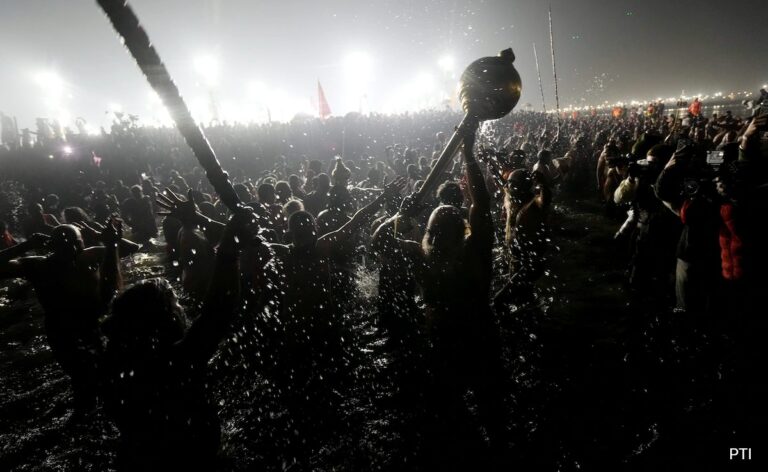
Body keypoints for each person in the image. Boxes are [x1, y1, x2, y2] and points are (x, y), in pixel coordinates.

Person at [373, 132, 508, 466]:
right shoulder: (475, 250)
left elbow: (378, 244)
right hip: (478, 337)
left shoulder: (422, 255)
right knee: (492, 411)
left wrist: (398, 216)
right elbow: (481, 204)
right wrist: (468, 155)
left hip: (447, 341)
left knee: (453, 414)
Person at [100, 206, 256, 471]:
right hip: (187, 460)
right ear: (164, 319)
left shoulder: (115, 360)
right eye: (175, 304)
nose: (181, 307)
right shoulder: (174, 363)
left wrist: (111, 248)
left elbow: (111, 300)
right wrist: (230, 243)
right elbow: (219, 310)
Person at [0, 222, 140, 412]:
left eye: (76, 243)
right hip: (62, 331)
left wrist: (106, 239)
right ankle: (85, 419)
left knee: (104, 379)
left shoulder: (91, 255)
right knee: (84, 380)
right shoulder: (38, 265)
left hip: (94, 326)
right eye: (65, 244)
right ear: (52, 246)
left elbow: (133, 248)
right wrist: (27, 245)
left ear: (81, 243)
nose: (72, 249)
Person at [494, 168, 552, 306]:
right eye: (508, 183)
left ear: (523, 187)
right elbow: (503, 184)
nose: (507, 186)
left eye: (512, 183)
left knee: (499, 301)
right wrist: (488, 162)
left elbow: (545, 201)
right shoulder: (511, 201)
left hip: (529, 266)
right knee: (524, 300)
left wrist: (543, 184)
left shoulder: (531, 206)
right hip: (518, 263)